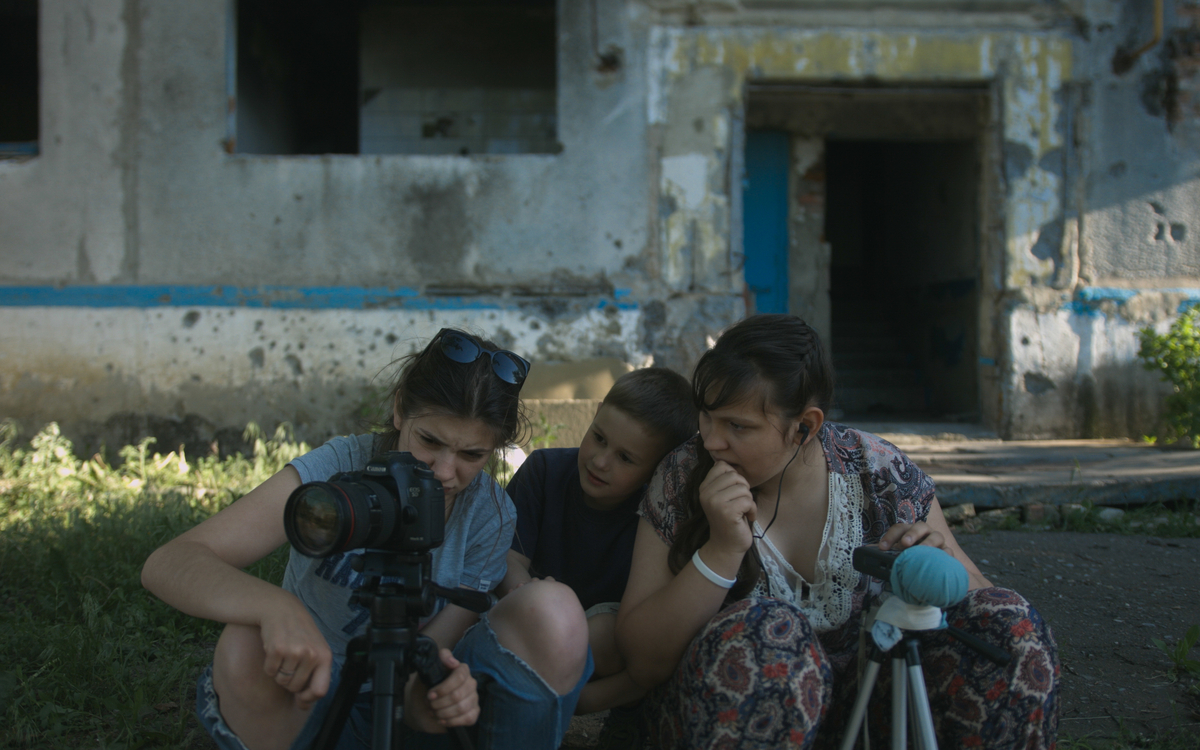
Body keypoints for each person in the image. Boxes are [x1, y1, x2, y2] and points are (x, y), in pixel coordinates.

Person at [615, 314, 1060, 749]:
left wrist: (938, 571)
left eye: (738, 426)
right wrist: (721, 551)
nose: (712, 440)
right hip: (730, 714)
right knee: (772, 632)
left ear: (805, 427)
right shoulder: (682, 477)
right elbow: (643, 660)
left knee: (1010, 626)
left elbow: (983, 605)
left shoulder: (880, 474)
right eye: (707, 416)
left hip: (875, 715)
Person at [141, 328, 592, 750]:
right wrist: (274, 607)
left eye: (472, 454)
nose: (443, 471)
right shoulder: (340, 467)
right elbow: (171, 562)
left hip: (411, 701)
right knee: (245, 643)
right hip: (309, 688)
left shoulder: (488, 515)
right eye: (429, 440)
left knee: (553, 608)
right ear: (399, 410)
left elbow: (435, 646)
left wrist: (429, 697)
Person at [498, 367, 698, 716]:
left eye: (625, 458)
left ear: (658, 470)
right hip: (529, 616)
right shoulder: (544, 471)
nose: (600, 461)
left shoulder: (656, 518)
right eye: (599, 437)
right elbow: (509, 559)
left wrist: (589, 700)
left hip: (597, 648)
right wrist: (533, 601)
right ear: (596, 412)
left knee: (608, 634)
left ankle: (569, 700)